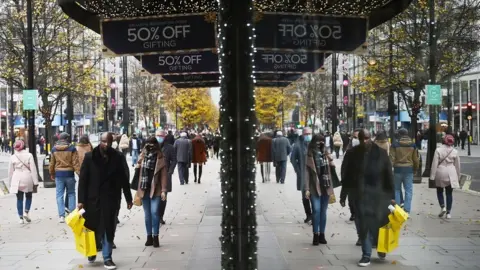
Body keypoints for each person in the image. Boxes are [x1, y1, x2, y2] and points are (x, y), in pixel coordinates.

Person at [78, 132, 133, 269]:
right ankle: (92, 251)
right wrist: (80, 201)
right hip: (92, 200)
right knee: (93, 228)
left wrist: (128, 198)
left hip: (110, 198)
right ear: (99, 141)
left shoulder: (118, 157)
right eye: (103, 141)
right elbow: (83, 181)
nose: (106, 144)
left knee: (108, 228)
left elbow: (123, 179)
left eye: (108, 142)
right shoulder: (90, 157)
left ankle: (107, 257)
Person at [340, 129, 394, 267]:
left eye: (367, 138)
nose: (365, 141)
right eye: (362, 138)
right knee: (363, 225)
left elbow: (388, 174)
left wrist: (392, 196)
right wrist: (343, 194)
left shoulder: (381, 154)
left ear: (372, 138)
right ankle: (366, 254)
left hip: (378, 196)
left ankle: (380, 247)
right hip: (359, 195)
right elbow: (345, 174)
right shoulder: (352, 153)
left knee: (378, 224)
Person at [136, 136, 168, 248]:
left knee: (154, 212)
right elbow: (138, 166)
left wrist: (164, 190)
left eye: (152, 144)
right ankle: (149, 236)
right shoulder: (143, 155)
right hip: (144, 188)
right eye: (147, 144)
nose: (150, 146)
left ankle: (156, 236)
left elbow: (164, 175)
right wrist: (142, 154)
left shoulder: (160, 157)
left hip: (156, 189)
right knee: (147, 215)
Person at [305, 134, 333, 245]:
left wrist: (330, 160)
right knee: (316, 210)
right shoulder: (309, 154)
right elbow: (306, 172)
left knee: (323, 212)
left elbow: (331, 169)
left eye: (321, 141)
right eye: (317, 141)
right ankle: (315, 234)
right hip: (314, 186)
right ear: (313, 142)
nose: (320, 143)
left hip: (325, 185)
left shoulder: (325, 153)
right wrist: (306, 188)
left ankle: (322, 234)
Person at [49, 132, 80, 223]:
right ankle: (72, 214)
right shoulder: (72, 148)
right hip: (70, 173)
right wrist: (79, 173)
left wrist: (52, 173)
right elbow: (75, 162)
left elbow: (52, 163)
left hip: (59, 174)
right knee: (71, 193)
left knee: (59, 195)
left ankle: (61, 216)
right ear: (67, 139)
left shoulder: (54, 149)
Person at [429, 134, 460, 219]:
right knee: (449, 193)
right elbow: (457, 165)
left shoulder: (438, 150)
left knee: (439, 191)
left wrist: (432, 176)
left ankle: (443, 207)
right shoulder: (455, 151)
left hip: (441, 171)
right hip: (451, 171)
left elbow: (434, 164)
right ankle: (448, 213)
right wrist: (458, 176)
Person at [8, 139, 39, 224]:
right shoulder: (29, 155)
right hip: (27, 177)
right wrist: (35, 182)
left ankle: (21, 218)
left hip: (16, 177)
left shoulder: (13, 157)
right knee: (29, 196)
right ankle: (26, 211)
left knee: (19, 198)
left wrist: (10, 183)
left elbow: (10, 172)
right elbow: (33, 169)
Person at [389, 128, 419, 214]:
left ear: (399, 134)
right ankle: (407, 210)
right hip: (409, 169)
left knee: (397, 190)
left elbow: (391, 158)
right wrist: (415, 169)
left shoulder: (395, 145)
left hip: (397, 169)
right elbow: (415, 159)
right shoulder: (413, 145)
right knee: (408, 190)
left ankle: (398, 210)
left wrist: (390, 168)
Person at [290, 127, 313, 224]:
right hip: (303, 174)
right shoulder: (297, 145)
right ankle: (308, 215)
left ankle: (314, 215)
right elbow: (292, 159)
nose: (308, 136)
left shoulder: (314, 144)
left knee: (314, 196)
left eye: (309, 134)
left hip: (314, 174)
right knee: (305, 196)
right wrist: (298, 171)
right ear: (303, 134)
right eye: (306, 134)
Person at [156, 130, 177, 224]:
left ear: (164, 137)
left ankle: (160, 216)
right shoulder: (152, 147)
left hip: (165, 175)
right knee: (155, 196)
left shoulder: (170, 148)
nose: (159, 137)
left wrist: (170, 171)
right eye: (157, 136)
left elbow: (174, 160)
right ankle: (155, 215)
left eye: (161, 136)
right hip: (155, 176)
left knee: (163, 197)